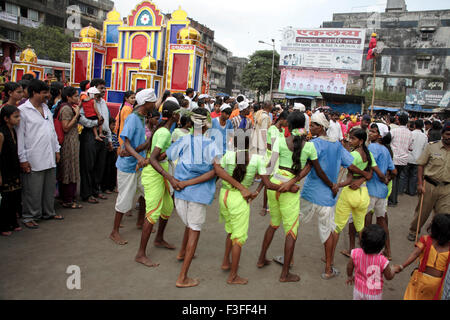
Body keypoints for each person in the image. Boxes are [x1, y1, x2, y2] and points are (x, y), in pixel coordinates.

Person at [257, 112, 330, 282]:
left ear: (288, 126)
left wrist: (268, 183)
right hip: (289, 191)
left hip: (275, 185)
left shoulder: (281, 141)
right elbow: (313, 166)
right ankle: (284, 274)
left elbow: (269, 167)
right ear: (304, 126)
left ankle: (261, 259)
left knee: (273, 224)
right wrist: (293, 182)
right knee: (291, 231)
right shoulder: (309, 146)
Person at [297, 113, 368, 280]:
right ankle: (328, 269)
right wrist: (364, 174)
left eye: (314, 125)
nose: (311, 127)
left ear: (321, 127)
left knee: (294, 224)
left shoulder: (313, 144)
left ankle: (288, 260)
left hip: (311, 192)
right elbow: (350, 165)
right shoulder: (336, 145)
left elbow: (306, 166)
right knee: (327, 232)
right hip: (327, 197)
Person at [135, 100, 181, 267]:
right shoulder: (165, 132)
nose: (180, 115)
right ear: (174, 114)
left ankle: (159, 239)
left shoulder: (162, 129)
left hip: (158, 172)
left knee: (167, 206)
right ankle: (140, 254)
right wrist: (169, 176)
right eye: (179, 112)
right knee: (153, 213)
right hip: (155, 175)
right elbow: (154, 158)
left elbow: (150, 147)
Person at [110, 89, 157, 246]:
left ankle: (140, 222)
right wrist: (138, 157)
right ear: (146, 103)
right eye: (153, 102)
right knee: (124, 199)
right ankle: (114, 232)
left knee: (146, 192)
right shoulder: (133, 118)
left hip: (138, 165)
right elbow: (127, 144)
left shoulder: (142, 117)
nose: (154, 105)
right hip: (129, 166)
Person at [218, 135, 266, 285]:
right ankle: (233, 276)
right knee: (239, 238)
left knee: (231, 231)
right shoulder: (257, 159)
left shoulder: (229, 155)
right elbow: (266, 181)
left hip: (224, 196)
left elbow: (218, 170)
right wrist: (256, 192)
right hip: (240, 199)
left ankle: (226, 261)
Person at [17, 79, 63, 229]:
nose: (47, 95)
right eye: (44, 93)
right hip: (33, 157)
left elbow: (52, 132)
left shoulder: (46, 108)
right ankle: (29, 216)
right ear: (34, 93)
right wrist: (23, 159)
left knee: (49, 188)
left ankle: (48, 212)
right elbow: (20, 138)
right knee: (33, 190)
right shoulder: (23, 111)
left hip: (49, 155)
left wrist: (56, 149)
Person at [332, 128, 377, 274]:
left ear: (361, 141)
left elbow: (350, 177)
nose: (350, 141)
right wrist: (363, 177)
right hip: (363, 194)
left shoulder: (353, 155)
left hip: (350, 194)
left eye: (353, 139)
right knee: (360, 227)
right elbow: (370, 174)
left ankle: (329, 257)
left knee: (337, 226)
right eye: (349, 138)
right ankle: (368, 258)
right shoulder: (368, 154)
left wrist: (338, 185)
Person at [407, 122, 450, 242]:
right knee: (423, 211)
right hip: (429, 185)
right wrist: (420, 184)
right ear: (442, 134)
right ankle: (413, 230)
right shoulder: (432, 147)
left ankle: (438, 234)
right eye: (447, 134)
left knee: (444, 215)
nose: (449, 137)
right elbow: (421, 165)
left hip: (447, 188)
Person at [395, 214, 450, 300]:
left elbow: (414, 254)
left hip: (424, 282)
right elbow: (415, 254)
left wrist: (402, 266)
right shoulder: (428, 241)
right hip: (436, 284)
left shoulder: (425, 240)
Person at [365, 123, 397, 260]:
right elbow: (394, 171)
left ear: (380, 135)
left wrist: (382, 177)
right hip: (382, 192)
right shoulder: (385, 150)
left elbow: (372, 165)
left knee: (366, 220)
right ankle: (388, 251)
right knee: (382, 221)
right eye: (370, 131)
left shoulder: (371, 147)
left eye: (373, 131)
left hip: (371, 189)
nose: (370, 133)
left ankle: (365, 250)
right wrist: (388, 179)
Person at [79, 78, 112, 204]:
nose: (103, 90)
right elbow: (81, 118)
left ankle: (96, 190)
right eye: (101, 88)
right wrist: (94, 123)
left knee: (99, 165)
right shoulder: (86, 100)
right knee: (88, 166)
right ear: (93, 89)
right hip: (89, 135)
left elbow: (106, 121)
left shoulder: (103, 102)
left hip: (102, 135)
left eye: (104, 88)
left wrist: (109, 139)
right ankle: (87, 193)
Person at [346, 224, 396, 300]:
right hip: (374, 294)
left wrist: (349, 276)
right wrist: (394, 270)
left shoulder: (355, 253)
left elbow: (349, 266)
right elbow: (388, 276)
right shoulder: (382, 260)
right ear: (381, 245)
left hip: (358, 289)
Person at [53, 87, 82, 209]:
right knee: (68, 169)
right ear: (68, 97)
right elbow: (65, 127)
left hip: (72, 140)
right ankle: (67, 199)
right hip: (68, 142)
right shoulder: (66, 108)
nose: (78, 98)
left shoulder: (68, 106)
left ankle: (68, 197)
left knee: (71, 168)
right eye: (75, 96)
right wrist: (76, 115)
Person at [0, 105, 22, 235]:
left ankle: (13, 222)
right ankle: (3, 226)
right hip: (5, 170)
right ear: (6, 118)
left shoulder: (13, 131)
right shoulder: (2, 134)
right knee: (6, 199)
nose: (18, 119)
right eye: (15, 117)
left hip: (14, 169)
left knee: (14, 197)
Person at [388, 112, 412, 207]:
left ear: (398, 120)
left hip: (394, 158)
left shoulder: (394, 131)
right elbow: (410, 147)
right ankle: (394, 198)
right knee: (397, 178)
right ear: (407, 122)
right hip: (404, 160)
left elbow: (387, 141)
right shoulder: (410, 133)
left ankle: (392, 200)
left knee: (392, 179)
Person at [403, 119, 428, 196]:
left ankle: (403, 189)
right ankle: (411, 191)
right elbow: (425, 148)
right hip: (418, 159)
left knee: (405, 174)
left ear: (414, 125)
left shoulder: (410, 134)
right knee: (414, 176)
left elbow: (406, 145)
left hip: (408, 157)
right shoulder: (424, 136)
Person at [102, 117, 118, 195]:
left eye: (114, 125)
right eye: (112, 125)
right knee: (107, 171)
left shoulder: (114, 134)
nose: (114, 126)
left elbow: (117, 145)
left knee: (113, 171)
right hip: (108, 154)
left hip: (113, 154)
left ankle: (112, 187)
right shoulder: (107, 136)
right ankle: (106, 187)